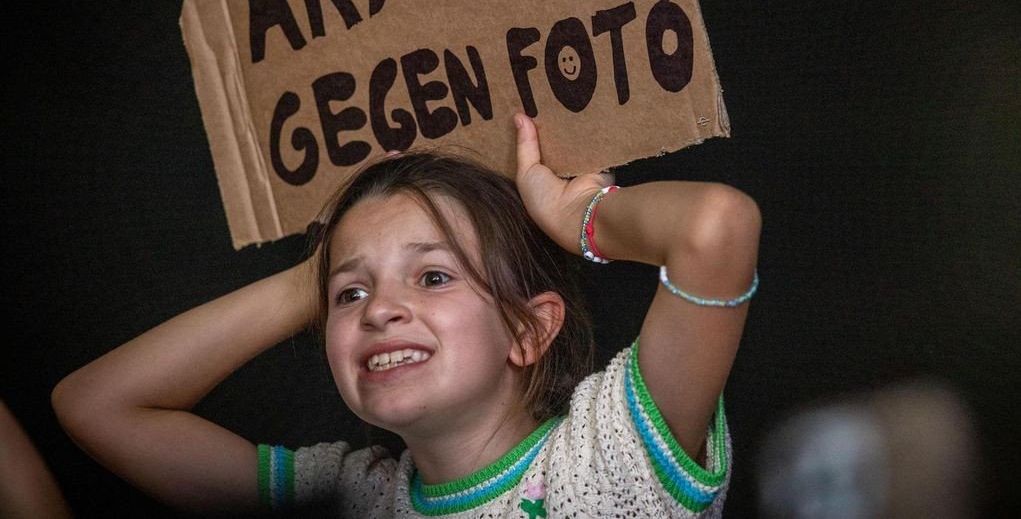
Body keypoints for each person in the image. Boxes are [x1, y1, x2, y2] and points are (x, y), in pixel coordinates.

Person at [52, 114, 761, 517]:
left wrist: (579, 218)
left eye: (433, 275)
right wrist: (321, 273)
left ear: (528, 329)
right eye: (351, 298)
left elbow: (717, 226)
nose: (382, 310)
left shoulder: (613, 452)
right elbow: (96, 404)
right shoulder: (355, 496)